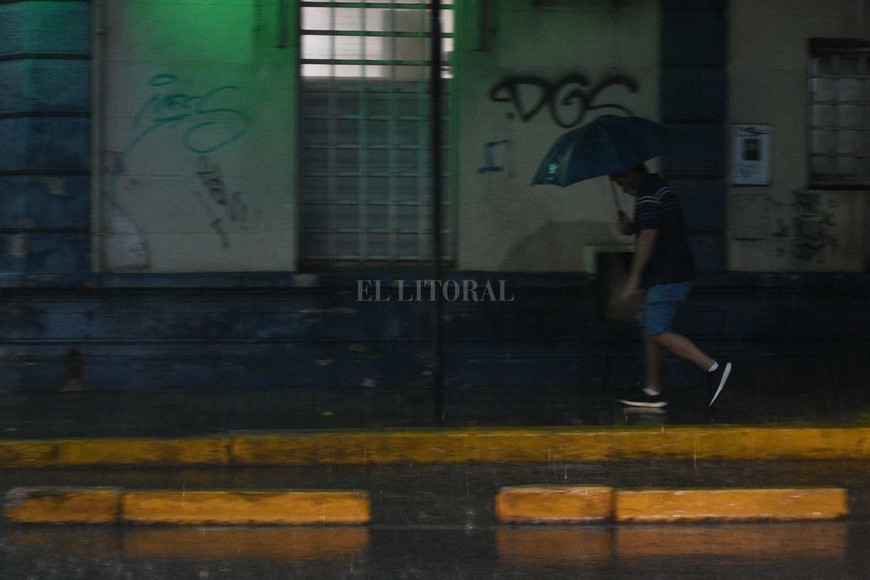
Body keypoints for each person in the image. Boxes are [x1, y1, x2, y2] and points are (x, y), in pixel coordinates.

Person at [611, 164, 731, 408]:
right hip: (673, 272)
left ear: (631, 173)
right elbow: (659, 227)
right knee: (652, 329)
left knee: (657, 330)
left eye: (622, 182)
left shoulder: (648, 194)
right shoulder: (659, 188)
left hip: (666, 274)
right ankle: (652, 391)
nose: (623, 189)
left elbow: (649, 236)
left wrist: (634, 277)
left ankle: (713, 368)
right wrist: (631, 227)